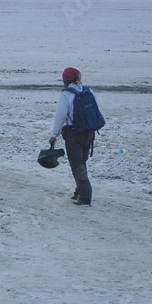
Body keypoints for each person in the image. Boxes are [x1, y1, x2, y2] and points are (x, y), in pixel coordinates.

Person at [49, 67, 95, 206]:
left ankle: (85, 197)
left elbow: (60, 116)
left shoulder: (67, 95)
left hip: (74, 134)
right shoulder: (89, 91)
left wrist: (54, 135)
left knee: (77, 166)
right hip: (89, 133)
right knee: (82, 163)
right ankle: (79, 191)